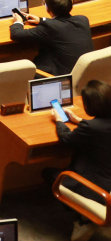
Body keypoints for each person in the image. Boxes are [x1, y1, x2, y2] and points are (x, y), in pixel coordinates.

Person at [51, 80, 111, 240]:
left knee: (50, 174)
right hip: (108, 181)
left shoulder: (91, 128)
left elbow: (66, 139)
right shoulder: (93, 126)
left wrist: (59, 120)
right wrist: (80, 121)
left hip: (96, 189)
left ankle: (83, 219)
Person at [11, 0, 93, 76]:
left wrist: (18, 21)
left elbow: (17, 34)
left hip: (61, 76)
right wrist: (41, 20)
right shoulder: (83, 19)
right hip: (84, 73)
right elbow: (61, 24)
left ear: (47, 8)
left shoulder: (49, 28)